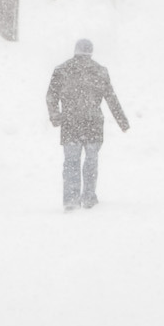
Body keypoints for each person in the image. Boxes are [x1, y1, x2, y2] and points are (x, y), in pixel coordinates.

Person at [45, 39, 130, 211]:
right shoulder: (100, 71)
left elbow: (51, 96)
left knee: (71, 162)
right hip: (93, 124)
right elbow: (111, 99)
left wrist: (55, 116)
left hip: (70, 124)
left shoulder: (61, 70)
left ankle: (71, 199)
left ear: (75, 50)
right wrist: (122, 121)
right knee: (91, 162)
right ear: (91, 52)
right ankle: (89, 198)